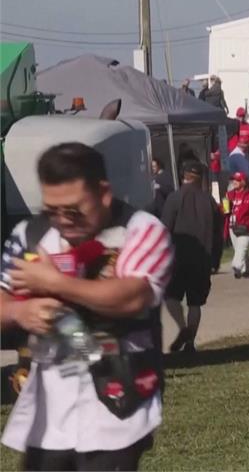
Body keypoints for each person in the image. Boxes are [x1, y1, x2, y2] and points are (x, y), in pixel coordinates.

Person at [1, 142, 172, 470]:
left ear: (103, 193)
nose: (63, 220)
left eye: (74, 210)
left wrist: (53, 283)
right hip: (46, 414)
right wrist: (19, 312)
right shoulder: (29, 234)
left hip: (116, 404)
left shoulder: (143, 231)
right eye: (52, 210)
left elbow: (132, 296)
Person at [161, 161, 218, 353]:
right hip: (202, 259)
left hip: (177, 258)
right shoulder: (209, 200)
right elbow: (218, 234)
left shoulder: (174, 198)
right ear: (200, 178)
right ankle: (190, 343)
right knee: (195, 303)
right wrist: (215, 260)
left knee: (170, 297)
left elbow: (164, 229)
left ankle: (182, 327)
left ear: (183, 176)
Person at [225, 172, 249, 279]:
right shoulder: (231, 195)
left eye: (237, 180)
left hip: (247, 227)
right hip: (234, 226)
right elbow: (225, 209)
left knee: (241, 248)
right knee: (239, 248)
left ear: (243, 182)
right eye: (233, 180)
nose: (234, 182)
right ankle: (247, 271)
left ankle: (236, 266)